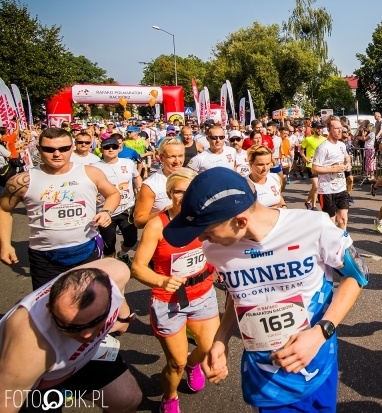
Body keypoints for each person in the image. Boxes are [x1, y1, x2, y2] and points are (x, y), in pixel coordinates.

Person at [161, 167, 367, 411]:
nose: (202, 240)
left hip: (314, 360)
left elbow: (357, 275)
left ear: (240, 221)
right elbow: (238, 293)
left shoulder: (314, 226)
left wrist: (321, 332)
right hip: (264, 372)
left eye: (205, 231)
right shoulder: (215, 249)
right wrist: (221, 339)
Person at [0, 259, 142, 413]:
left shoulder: (116, 272)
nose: (87, 335)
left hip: (82, 358)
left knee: (128, 400)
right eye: (72, 327)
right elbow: (5, 405)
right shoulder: (28, 350)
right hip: (38, 379)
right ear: (49, 310)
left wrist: (123, 316)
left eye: (96, 321)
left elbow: (118, 291)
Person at [131, 169, 218, 413]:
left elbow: (218, 247)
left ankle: (193, 365)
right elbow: (137, 268)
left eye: (191, 191)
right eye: (179, 191)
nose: (185, 197)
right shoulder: (157, 225)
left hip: (203, 294)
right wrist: (161, 281)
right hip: (169, 301)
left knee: (208, 347)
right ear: (170, 194)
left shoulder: (205, 219)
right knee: (175, 363)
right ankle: (169, 397)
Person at [0, 127, 121, 289]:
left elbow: (113, 193)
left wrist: (106, 211)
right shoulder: (22, 181)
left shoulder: (91, 173)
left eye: (63, 148)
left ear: (72, 147)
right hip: (44, 257)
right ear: (39, 149)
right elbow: (4, 209)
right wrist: (5, 244)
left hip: (86, 250)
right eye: (49, 149)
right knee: (48, 303)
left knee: (87, 299)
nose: (57, 154)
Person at [95, 137, 142, 264]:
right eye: (106, 147)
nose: (111, 149)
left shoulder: (128, 163)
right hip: (106, 210)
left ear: (119, 148)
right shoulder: (94, 167)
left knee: (131, 240)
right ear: (101, 150)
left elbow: (137, 177)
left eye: (114, 147)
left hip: (127, 208)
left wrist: (140, 190)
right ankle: (111, 267)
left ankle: (122, 254)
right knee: (109, 243)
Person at [133, 138, 185, 229]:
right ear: (161, 158)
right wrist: (165, 212)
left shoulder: (193, 177)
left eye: (180, 156)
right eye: (171, 157)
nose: (177, 161)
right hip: (164, 234)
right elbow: (139, 222)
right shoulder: (150, 185)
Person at [312, 118, 351, 230]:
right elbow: (314, 169)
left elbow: (347, 157)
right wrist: (333, 169)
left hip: (341, 188)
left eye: (341, 128)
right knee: (331, 224)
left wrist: (348, 163)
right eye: (336, 128)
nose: (340, 131)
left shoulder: (342, 145)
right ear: (329, 130)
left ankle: (342, 241)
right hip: (326, 190)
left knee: (343, 220)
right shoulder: (323, 148)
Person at [300, 123, 326, 210]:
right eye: (318, 128)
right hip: (310, 165)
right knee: (316, 186)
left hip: (321, 165)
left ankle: (307, 201)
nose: (320, 130)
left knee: (315, 187)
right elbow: (301, 150)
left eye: (321, 128)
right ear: (313, 129)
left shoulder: (325, 139)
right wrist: (305, 158)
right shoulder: (308, 139)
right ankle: (314, 206)